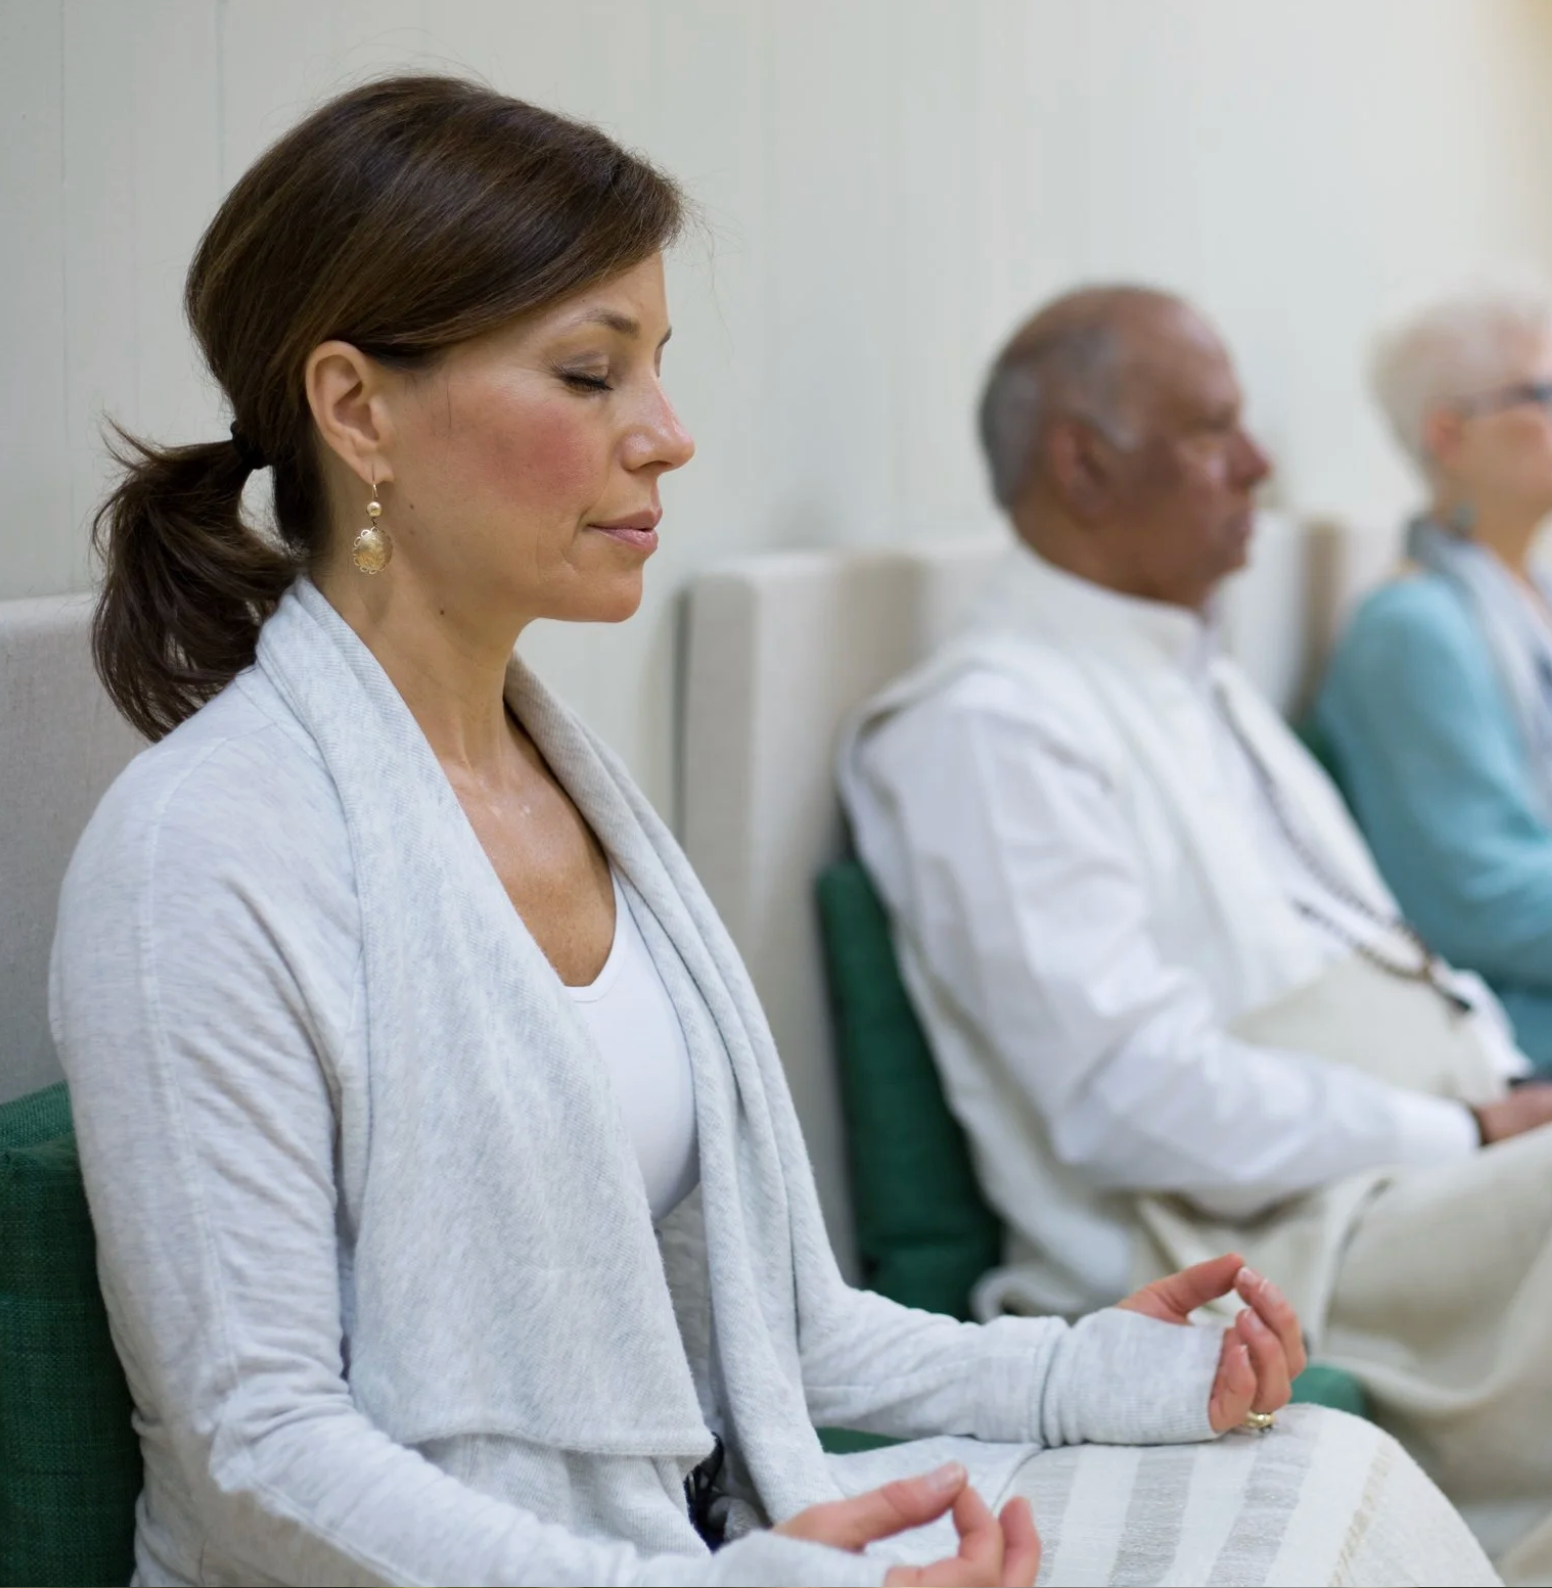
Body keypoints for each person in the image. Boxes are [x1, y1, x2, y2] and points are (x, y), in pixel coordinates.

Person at [48, 80, 1487, 1588]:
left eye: (656, 369)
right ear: (356, 410)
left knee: (1335, 1476)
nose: (667, 437)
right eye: (590, 375)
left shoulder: (577, 795)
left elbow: (778, 1332)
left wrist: (1084, 1374)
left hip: (695, 1548)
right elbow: (256, 1458)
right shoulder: (201, 857)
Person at [838, 283, 1552, 1583]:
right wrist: (1463, 1130)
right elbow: (1130, 1098)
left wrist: (1498, 1086)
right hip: (1264, 1241)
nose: (1262, 464)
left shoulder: (1195, 669)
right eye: (1217, 429)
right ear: (1083, 461)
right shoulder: (990, 725)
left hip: (1405, 1182)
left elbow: (1389, 943)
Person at [1313, 282, 1552, 1073]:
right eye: (1542, 392)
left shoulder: (1530, 598)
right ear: (1448, 434)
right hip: (1515, 1037)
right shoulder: (1412, 633)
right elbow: (1481, 904)